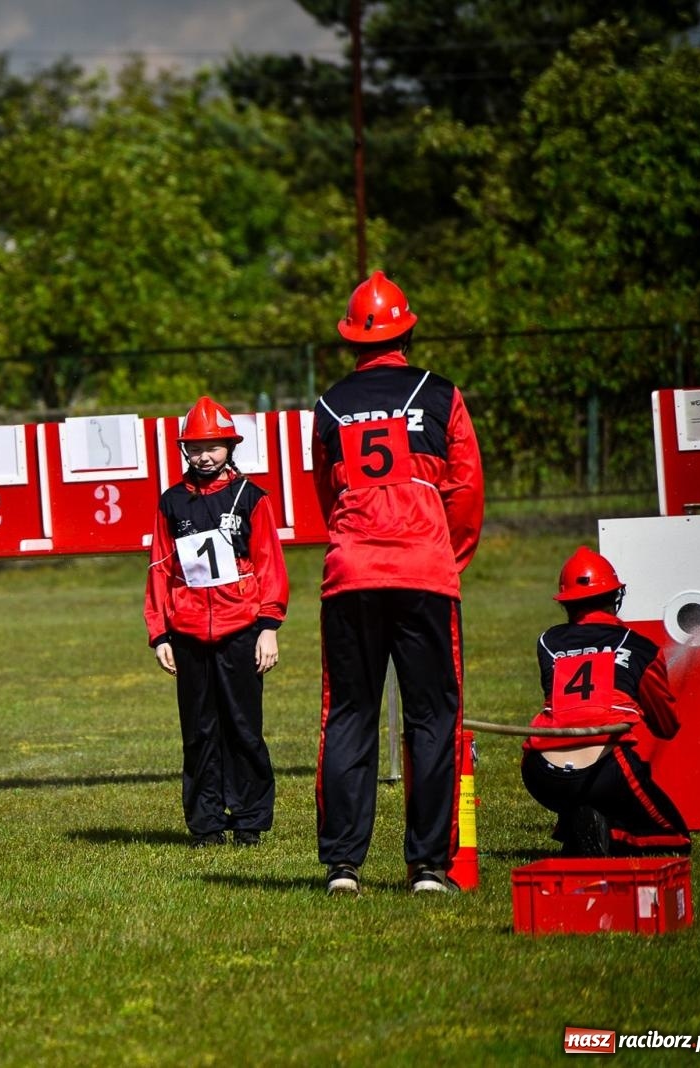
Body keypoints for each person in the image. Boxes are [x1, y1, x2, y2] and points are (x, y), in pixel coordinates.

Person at [311, 271, 484, 895]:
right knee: (434, 716)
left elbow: (326, 495)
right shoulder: (441, 395)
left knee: (349, 714)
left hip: (351, 574)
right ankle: (429, 867)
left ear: (351, 340)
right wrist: (446, 557)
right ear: (407, 332)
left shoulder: (329, 406)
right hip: (425, 573)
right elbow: (465, 489)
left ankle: (343, 866)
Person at [145, 397, 287, 847]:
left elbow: (269, 563)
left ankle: (249, 821)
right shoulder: (172, 502)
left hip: (241, 629)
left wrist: (268, 626)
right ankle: (206, 823)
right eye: (195, 448)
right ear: (184, 449)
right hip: (187, 634)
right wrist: (160, 633)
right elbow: (160, 567)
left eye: (213, 447)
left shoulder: (251, 498)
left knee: (243, 728)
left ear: (230, 447)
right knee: (199, 732)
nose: (204, 456)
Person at [521, 547, 690, 856]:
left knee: (588, 797)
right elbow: (666, 726)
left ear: (566, 603)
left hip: (541, 772)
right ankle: (609, 832)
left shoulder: (547, 642)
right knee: (675, 839)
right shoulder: (641, 648)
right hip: (604, 770)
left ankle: (582, 823)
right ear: (615, 597)